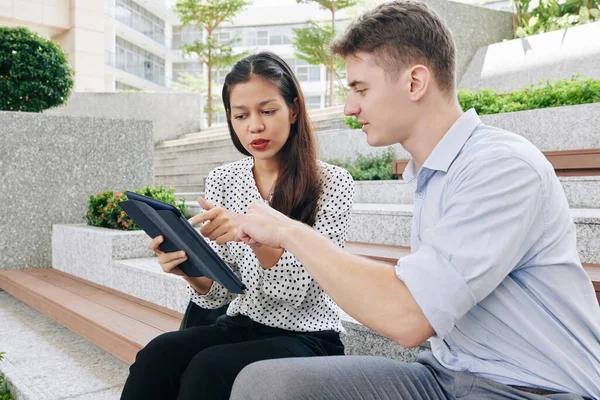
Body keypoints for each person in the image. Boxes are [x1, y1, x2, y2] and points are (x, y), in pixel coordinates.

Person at [228, 2, 600, 399]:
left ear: (415, 82)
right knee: (263, 384)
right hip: (443, 377)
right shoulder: (428, 172)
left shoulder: (501, 168)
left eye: (361, 89)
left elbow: (408, 317)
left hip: (530, 388)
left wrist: (288, 231)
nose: (351, 107)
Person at [120, 51, 355, 400]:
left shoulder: (333, 183)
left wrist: (252, 234)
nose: (254, 126)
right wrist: (189, 270)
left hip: (307, 334)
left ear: (293, 109)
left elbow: (296, 293)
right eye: (240, 115)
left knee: (209, 369)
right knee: (158, 354)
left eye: (267, 111)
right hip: (241, 323)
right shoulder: (223, 179)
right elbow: (221, 292)